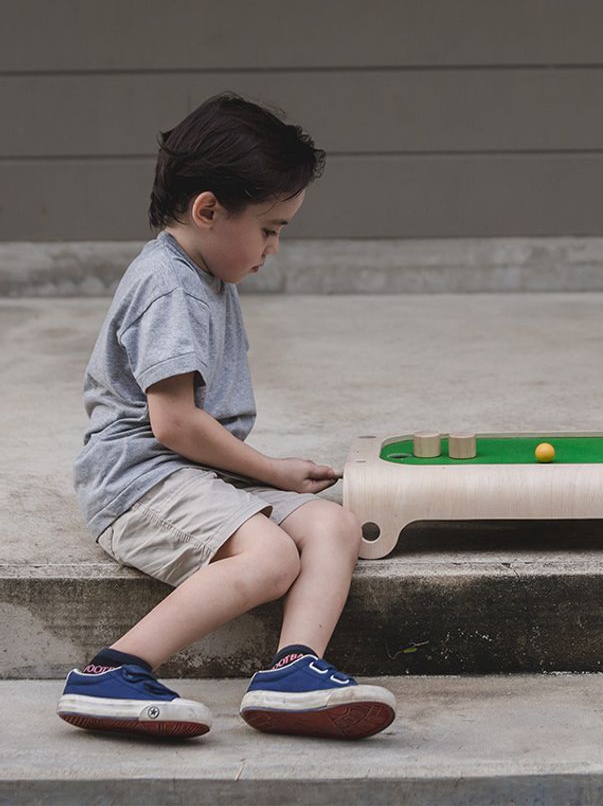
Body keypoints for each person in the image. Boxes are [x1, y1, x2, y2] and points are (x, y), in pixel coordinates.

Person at [58, 94, 396, 740]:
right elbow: (174, 424)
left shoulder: (203, 274)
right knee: (270, 557)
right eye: (269, 229)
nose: (273, 248)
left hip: (187, 471)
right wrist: (270, 470)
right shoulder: (168, 284)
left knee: (332, 525)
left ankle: (293, 671)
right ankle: (111, 671)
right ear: (208, 209)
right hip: (138, 481)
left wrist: (270, 476)